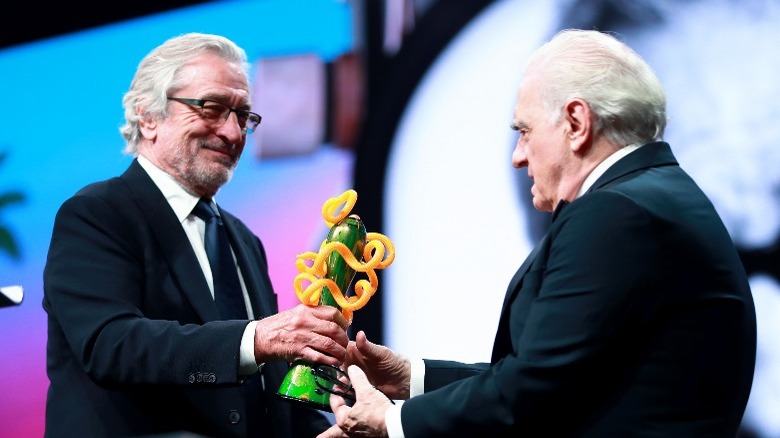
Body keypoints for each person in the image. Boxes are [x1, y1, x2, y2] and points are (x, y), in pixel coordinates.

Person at [319, 28, 757, 437]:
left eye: (525, 132)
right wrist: (411, 376)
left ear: (576, 123)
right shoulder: (650, 196)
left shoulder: (615, 213)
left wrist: (392, 422)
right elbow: (564, 376)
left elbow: (534, 391)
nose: (517, 156)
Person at [42, 32, 349, 438]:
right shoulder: (97, 214)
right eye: (212, 108)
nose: (234, 133)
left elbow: (267, 379)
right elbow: (111, 345)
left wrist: (323, 430)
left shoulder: (243, 240)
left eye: (243, 116)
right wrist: (255, 338)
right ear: (148, 116)